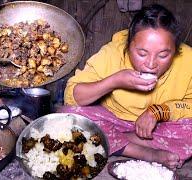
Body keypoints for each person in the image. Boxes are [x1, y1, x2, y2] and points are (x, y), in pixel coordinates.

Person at [61, 4, 192, 169]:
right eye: (142, 53)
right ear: (128, 45)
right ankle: (146, 152)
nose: (151, 64)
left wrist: (160, 111)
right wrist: (115, 81)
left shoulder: (188, 59)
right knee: (67, 116)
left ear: (176, 50)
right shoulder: (112, 53)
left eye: (163, 55)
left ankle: (107, 140)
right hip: (112, 119)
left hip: (160, 127)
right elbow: (74, 96)